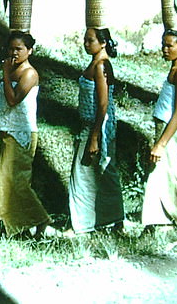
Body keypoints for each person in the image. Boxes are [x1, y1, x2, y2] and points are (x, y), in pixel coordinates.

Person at [0, 31, 53, 237]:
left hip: (22, 134)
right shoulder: (11, 70)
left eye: (19, 49)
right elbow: (1, 105)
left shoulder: (30, 74)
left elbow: (13, 100)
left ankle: (40, 220)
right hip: (6, 130)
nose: (14, 53)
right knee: (0, 179)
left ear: (30, 51)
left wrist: (6, 74)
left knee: (17, 182)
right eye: (11, 49)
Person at [141, 29, 177, 233]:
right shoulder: (175, 68)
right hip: (165, 127)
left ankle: (169, 221)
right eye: (163, 44)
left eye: (170, 46)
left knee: (164, 173)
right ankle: (160, 221)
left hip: (173, 130)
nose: (164, 49)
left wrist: (161, 143)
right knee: (162, 174)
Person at [68, 28, 124, 234]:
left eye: (90, 40)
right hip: (88, 124)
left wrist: (94, 136)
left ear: (103, 43)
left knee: (91, 172)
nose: (85, 44)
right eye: (84, 40)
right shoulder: (95, 63)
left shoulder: (101, 66)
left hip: (97, 125)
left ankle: (91, 222)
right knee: (91, 173)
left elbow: (103, 104)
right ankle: (106, 219)